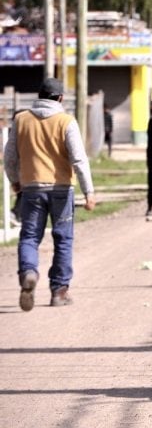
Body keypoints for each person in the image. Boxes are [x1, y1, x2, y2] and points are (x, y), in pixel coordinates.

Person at [3, 77, 96, 311]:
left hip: (32, 189)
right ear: (61, 98)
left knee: (30, 237)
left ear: (39, 95)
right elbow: (79, 159)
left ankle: (29, 272)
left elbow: (10, 157)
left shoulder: (21, 120)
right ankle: (59, 291)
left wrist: (16, 181)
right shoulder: (66, 121)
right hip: (61, 190)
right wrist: (89, 192)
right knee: (63, 240)